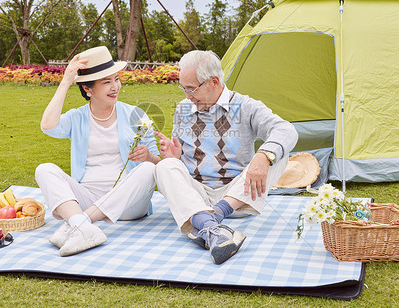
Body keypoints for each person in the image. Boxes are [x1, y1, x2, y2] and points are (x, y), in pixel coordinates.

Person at [154, 50, 298, 264]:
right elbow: (181, 160)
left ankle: (209, 220)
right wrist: (176, 157)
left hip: (235, 198)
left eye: (191, 89)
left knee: (279, 154)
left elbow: (286, 130)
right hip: (197, 196)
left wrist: (263, 156)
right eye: (183, 89)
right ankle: (214, 228)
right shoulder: (184, 109)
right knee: (164, 168)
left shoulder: (246, 106)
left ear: (214, 81)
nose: (187, 96)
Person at [35, 46, 161, 257]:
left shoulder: (136, 114)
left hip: (128, 204)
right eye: (106, 82)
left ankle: (78, 223)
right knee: (44, 169)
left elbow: (158, 164)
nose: (115, 87)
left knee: (147, 169)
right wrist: (66, 82)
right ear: (88, 89)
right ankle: (82, 225)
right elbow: (48, 125)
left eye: (116, 79)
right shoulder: (77, 117)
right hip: (88, 199)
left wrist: (148, 156)